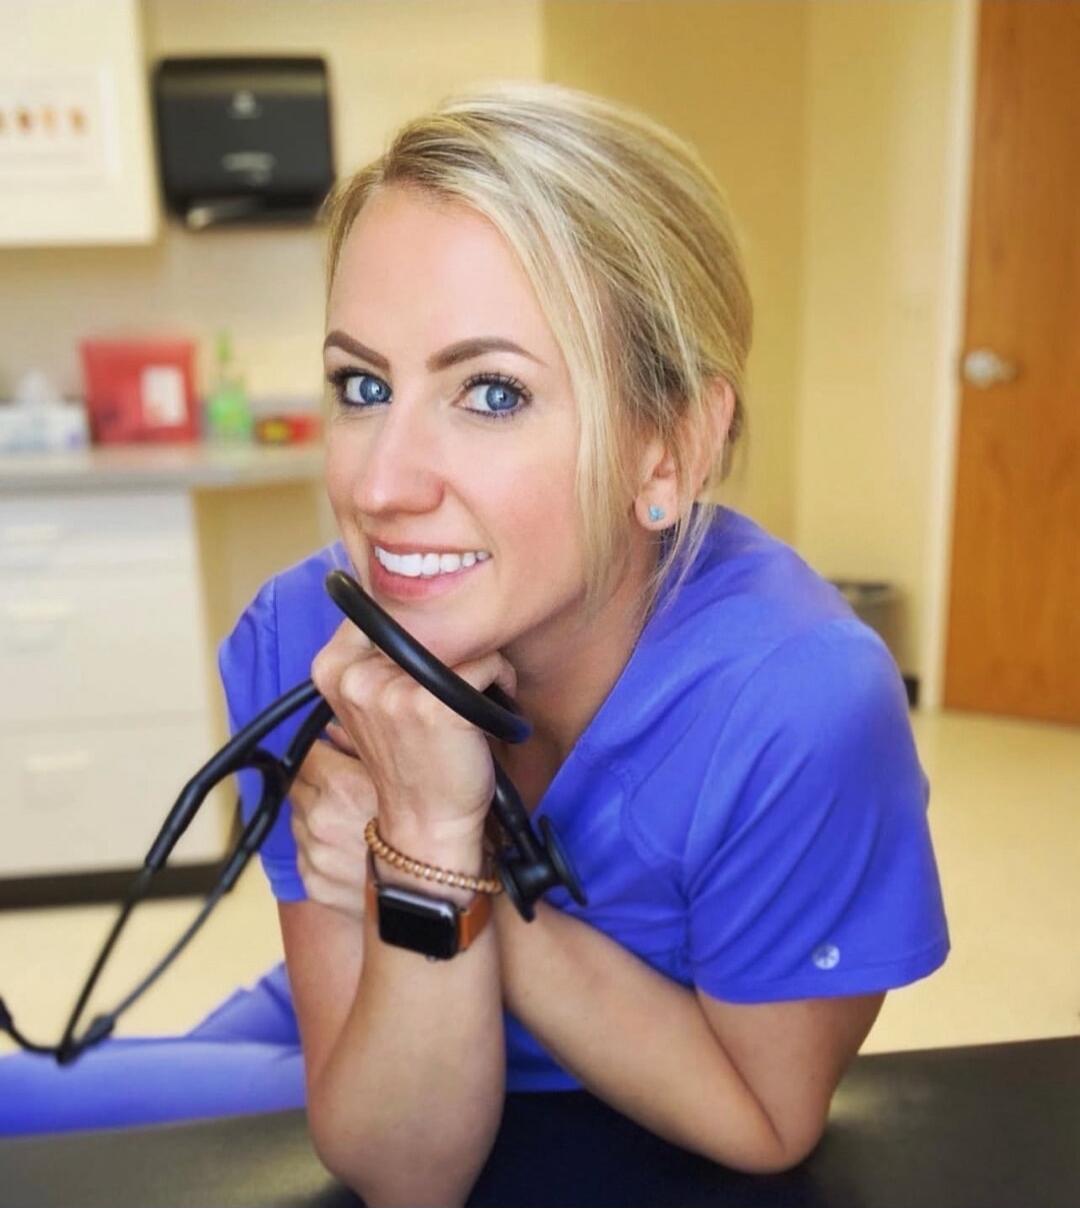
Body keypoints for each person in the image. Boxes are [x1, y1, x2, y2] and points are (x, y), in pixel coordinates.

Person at [0, 83, 948, 1205]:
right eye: (363, 385)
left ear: (669, 452)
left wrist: (441, 852)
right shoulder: (308, 633)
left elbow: (761, 1120)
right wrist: (421, 882)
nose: (381, 484)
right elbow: (392, 1141)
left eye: (491, 392)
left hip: (569, 1083)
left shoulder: (795, 702)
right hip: (373, 1018)